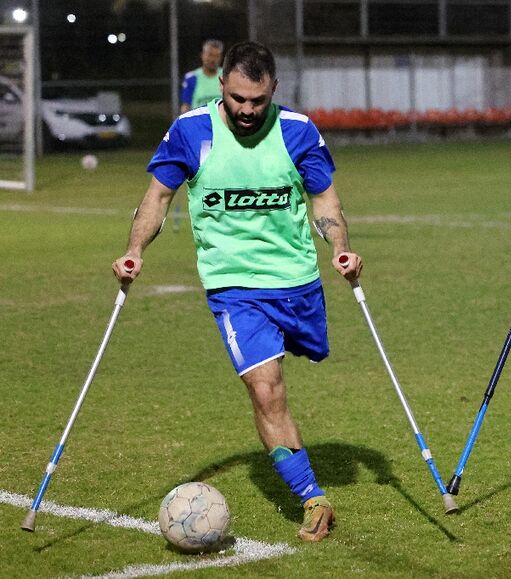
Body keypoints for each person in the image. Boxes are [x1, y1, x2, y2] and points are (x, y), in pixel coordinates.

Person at [113, 41, 363, 542]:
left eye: (259, 101)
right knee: (264, 386)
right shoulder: (191, 131)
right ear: (222, 86)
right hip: (233, 287)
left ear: (274, 91)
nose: (248, 111)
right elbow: (158, 196)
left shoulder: (297, 130)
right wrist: (135, 249)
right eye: (239, 99)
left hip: (296, 282)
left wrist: (340, 245)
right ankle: (313, 499)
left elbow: (324, 197)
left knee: (282, 377)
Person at [179, 39, 224, 114]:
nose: (213, 59)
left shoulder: (227, 76)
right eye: (210, 55)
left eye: (216, 56)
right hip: (199, 123)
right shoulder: (192, 77)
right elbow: (186, 106)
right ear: (202, 55)